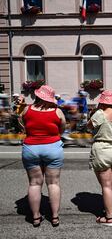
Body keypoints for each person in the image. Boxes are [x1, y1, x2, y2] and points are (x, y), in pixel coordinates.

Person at [20, 85, 66, 227]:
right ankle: (55, 217)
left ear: (38, 96)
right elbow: (62, 128)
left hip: (31, 148)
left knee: (34, 183)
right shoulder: (57, 111)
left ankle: (35, 217)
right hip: (52, 147)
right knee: (53, 183)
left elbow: (22, 123)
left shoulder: (27, 109)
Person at [87, 90, 112, 226]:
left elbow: (89, 126)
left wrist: (96, 111)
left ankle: (108, 218)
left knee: (106, 185)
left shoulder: (100, 114)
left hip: (103, 150)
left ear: (102, 102)